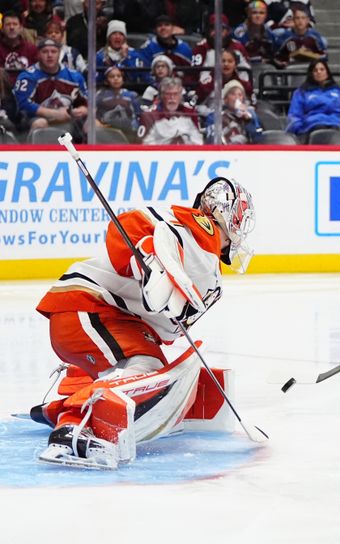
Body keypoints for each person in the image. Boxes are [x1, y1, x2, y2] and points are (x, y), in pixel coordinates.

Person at [31, 177, 256, 468]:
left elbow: (167, 326)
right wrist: (146, 260)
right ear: (225, 212)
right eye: (239, 219)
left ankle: (62, 405)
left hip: (106, 317)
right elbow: (129, 225)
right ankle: (73, 425)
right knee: (145, 369)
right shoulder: (195, 228)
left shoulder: (205, 260)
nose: (239, 231)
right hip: (86, 308)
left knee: (149, 369)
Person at [13, 38, 88, 137]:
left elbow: (88, 101)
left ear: (59, 54)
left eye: (53, 51)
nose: (49, 55)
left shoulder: (74, 76)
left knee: (92, 123)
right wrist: (53, 114)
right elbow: (23, 103)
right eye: (45, 52)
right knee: (40, 123)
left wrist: (84, 109)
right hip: (36, 119)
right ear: (38, 54)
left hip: (68, 119)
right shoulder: (27, 77)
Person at [285, 59, 340, 143]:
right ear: (311, 73)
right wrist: (299, 128)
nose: (319, 72)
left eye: (322, 69)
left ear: (327, 72)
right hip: (312, 126)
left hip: (336, 125)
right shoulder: (301, 92)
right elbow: (294, 115)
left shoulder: (339, 92)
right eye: (315, 70)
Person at [138, 76, 203, 145]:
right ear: (162, 95)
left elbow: (198, 142)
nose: (172, 98)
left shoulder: (190, 112)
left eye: (175, 94)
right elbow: (143, 145)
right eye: (168, 94)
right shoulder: (149, 115)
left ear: (180, 95)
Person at [205, 79, 265, 144]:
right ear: (225, 99)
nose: (237, 98)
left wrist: (248, 121)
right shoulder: (214, 116)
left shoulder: (251, 114)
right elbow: (211, 140)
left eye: (240, 95)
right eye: (233, 94)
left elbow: (259, 138)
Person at [95, 65, 142, 139]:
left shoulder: (131, 95)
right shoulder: (100, 96)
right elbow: (95, 115)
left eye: (118, 76)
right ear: (106, 81)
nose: (116, 78)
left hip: (128, 131)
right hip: (106, 131)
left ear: (122, 79)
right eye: (112, 76)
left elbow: (138, 115)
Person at [0, 11, 39, 84]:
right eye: (8, 24)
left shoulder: (32, 49)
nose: (11, 27)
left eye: (15, 24)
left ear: (21, 28)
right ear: (2, 29)